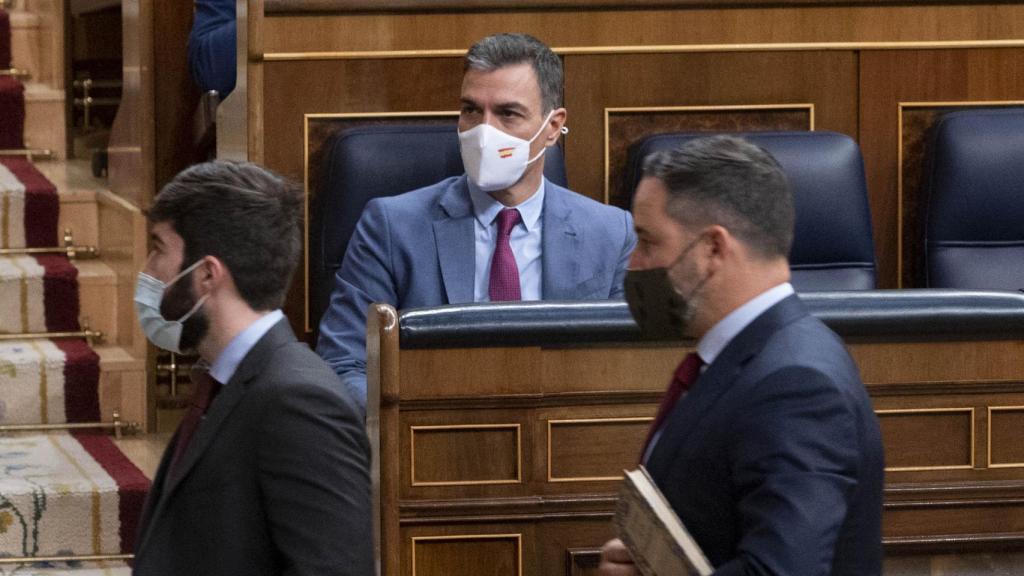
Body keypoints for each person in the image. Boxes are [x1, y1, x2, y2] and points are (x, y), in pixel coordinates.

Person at [600, 136, 884, 576]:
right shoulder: (745, 359)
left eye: (648, 241)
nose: (634, 265)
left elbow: (782, 571)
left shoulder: (797, 383)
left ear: (713, 248)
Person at [316, 33, 636, 414]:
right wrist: (404, 431)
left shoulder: (611, 233)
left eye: (507, 114)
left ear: (552, 127)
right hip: (430, 443)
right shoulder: (391, 226)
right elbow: (346, 363)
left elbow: (625, 373)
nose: (483, 132)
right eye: (471, 110)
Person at [132, 161, 373, 576]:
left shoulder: (299, 402)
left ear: (207, 273)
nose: (149, 270)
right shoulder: (224, 383)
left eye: (158, 248)